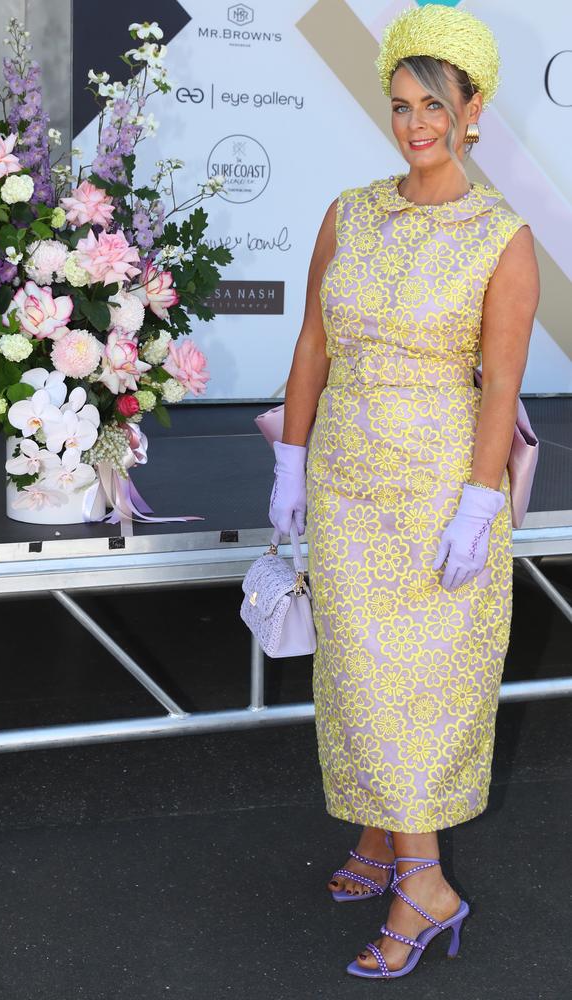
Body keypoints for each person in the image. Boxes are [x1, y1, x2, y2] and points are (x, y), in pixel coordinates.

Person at [268, 2, 540, 981]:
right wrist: (288, 462)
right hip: (345, 482)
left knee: (413, 690)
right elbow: (311, 342)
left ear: (471, 111)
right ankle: (384, 838)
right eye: (398, 105)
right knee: (353, 674)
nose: (414, 124)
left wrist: (478, 506)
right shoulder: (349, 212)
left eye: (433, 104)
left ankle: (422, 881)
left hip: (433, 491)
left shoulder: (500, 240)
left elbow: (498, 391)